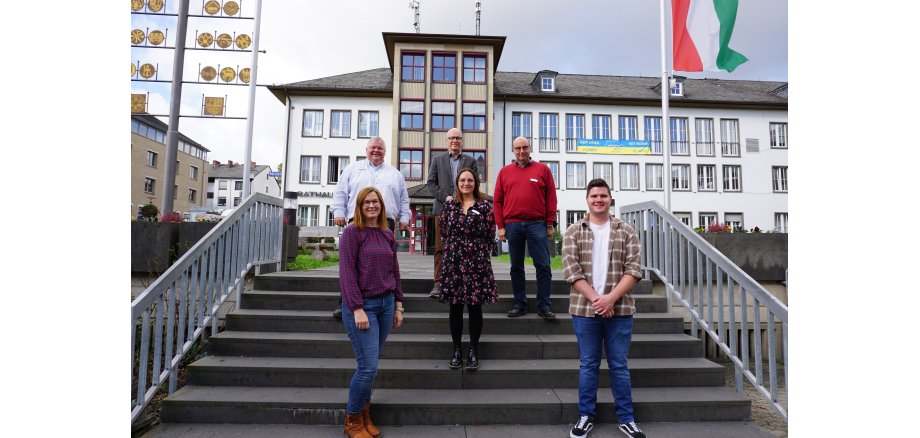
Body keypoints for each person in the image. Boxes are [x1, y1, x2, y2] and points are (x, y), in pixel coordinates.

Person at [562, 178, 645, 438]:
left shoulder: (626, 230)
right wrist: (599, 300)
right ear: (587, 200)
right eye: (594, 196)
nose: (598, 200)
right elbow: (571, 271)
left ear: (611, 199)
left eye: (603, 196)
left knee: (619, 365)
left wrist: (610, 299)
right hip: (584, 310)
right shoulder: (574, 231)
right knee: (588, 365)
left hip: (620, 310)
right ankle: (585, 416)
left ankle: (627, 419)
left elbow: (634, 269)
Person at [338, 186, 405, 438]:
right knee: (367, 367)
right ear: (359, 205)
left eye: (375, 201)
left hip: (386, 306)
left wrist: (398, 305)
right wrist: (356, 308)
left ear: (381, 205)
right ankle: (353, 419)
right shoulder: (352, 233)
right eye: (366, 202)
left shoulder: (387, 233)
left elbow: (394, 270)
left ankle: (365, 415)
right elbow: (346, 273)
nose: (372, 206)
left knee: (371, 365)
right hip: (362, 307)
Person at [331, 136, 411, 319]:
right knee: (351, 264)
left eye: (380, 148)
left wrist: (405, 217)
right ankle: (345, 302)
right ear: (366, 150)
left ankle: (389, 301)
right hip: (356, 222)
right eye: (373, 148)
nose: (376, 151)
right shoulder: (352, 169)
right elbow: (341, 192)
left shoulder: (395, 174)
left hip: (385, 223)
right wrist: (338, 213)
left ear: (385, 151)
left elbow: (404, 199)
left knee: (386, 264)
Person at [437, 167, 497, 370]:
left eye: (470, 180)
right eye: (462, 180)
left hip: (477, 261)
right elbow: (443, 232)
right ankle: (456, 349)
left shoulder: (485, 206)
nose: (466, 183)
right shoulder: (449, 206)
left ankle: (473, 349)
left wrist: (478, 252)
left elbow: (490, 234)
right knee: (455, 307)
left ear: (475, 183)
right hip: (453, 261)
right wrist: (454, 249)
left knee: (474, 307)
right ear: (457, 182)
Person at [493, 136, 558, 320]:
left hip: (537, 224)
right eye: (518, 148)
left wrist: (549, 222)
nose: (521, 151)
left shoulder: (543, 170)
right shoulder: (505, 172)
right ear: (513, 150)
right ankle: (520, 304)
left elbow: (551, 198)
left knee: (543, 265)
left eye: (524, 147)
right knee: (516, 267)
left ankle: (544, 305)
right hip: (512, 225)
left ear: (530, 148)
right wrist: (500, 227)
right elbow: (497, 201)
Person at [426, 128, 479, 298]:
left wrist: (463, 201)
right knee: (441, 248)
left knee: (465, 248)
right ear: (446, 140)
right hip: (442, 210)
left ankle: (461, 282)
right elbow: (431, 184)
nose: (455, 141)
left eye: (458, 138)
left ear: (462, 141)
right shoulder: (437, 160)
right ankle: (438, 283)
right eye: (451, 138)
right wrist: (446, 197)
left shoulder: (470, 161)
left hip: (465, 212)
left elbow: (475, 184)